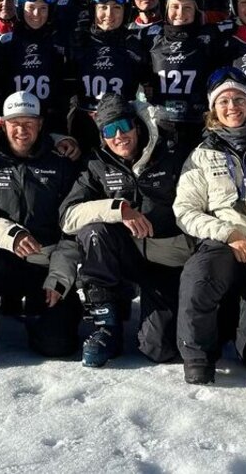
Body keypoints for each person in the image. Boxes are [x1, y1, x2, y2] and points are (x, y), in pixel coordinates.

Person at [59, 94, 192, 371]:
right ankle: (106, 327)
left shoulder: (172, 153)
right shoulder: (96, 163)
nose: (118, 136)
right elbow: (68, 216)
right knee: (94, 231)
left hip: (167, 260)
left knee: (160, 349)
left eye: (123, 126)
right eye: (109, 130)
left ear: (136, 125)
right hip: (125, 256)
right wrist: (118, 209)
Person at [0, 91, 83, 370]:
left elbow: (73, 226)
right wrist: (12, 235)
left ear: (40, 123)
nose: (21, 129)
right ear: (3, 124)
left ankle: (39, 315)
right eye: (14, 122)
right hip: (3, 259)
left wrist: (59, 278)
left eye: (28, 122)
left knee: (58, 346)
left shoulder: (61, 163)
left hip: (46, 264)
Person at [173, 68, 246, 385]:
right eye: (223, 101)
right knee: (200, 272)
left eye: (239, 99)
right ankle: (198, 357)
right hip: (223, 242)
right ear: (213, 110)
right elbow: (184, 210)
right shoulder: (202, 156)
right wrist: (229, 234)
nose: (232, 106)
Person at [143, 0, 229, 150]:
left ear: (197, 11)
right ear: (164, 8)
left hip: (199, 127)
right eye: (174, 6)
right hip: (160, 128)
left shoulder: (209, 39)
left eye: (187, 8)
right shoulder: (150, 39)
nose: (180, 14)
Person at [67, 0, 147, 152]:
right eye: (103, 7)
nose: (109, 15)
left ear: (125, 11)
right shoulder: (79, 42)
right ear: (93, 9)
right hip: (84, 125)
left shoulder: (135, 45)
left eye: (116, 8)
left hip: (120, 128)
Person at [0, 0, 70, 135]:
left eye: (43, 8)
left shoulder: (60, 44)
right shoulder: (6, 43)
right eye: (31, 7)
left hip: (52, 124)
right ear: (20, 8)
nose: (36, 14)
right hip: (17, 125)